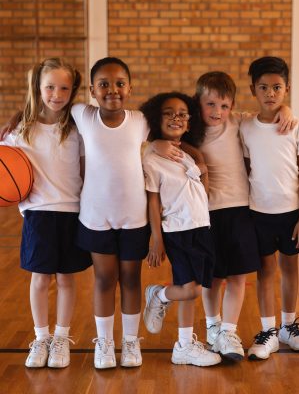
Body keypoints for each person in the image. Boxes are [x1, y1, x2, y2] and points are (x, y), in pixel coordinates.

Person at [71, 57, 176, 369]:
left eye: (119, 83)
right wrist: (16, 117)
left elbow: (178, 119)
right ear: (92, 90)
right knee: (104, 279)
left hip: (134, 216)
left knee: (131, 278)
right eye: (104, 84)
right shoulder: (82, 114)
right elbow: (48, 107)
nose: (112, 90)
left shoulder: (141, 120)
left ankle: (130, 343)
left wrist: (157, 142)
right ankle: (104, 343)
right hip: (95, 215)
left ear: (130, 88)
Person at [194, 71, 296, 361]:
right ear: (198, 102)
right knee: (212, 278)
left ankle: (228, 330)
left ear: (232, 106)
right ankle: (213, 326)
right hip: (206, 212)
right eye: (211, 105)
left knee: (238, 275)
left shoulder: (238, 122)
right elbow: (167, 137)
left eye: (224, 106)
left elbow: (267, 113)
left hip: (240, 209)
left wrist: (285, 108)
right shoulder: (191, 131)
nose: (218, 112)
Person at [0, 58, 91, 368]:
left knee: (66, 279)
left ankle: (61, 338)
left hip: (71, 212)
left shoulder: (78, 129)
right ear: (37, 88)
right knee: (40, 279)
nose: (57, 93)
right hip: (38, 214)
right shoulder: (20, 130)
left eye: (64, 87)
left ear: (73, 90)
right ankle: (41, 338)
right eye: (50, 87)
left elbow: (84, 169)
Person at [240, 56, 299, 360]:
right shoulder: (246, 126)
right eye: (263, 88)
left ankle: (288, 326)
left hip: (292, 214)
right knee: (265, 271)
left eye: (277, 87)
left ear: (286, 89)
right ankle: (268, 330)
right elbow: (247, 169)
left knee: (290, 268)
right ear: (253, 90)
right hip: (258, 213)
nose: (270, 93)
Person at [140, 91, 221, 367]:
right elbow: (153, 201)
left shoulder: (186, 154)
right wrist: (156, 238)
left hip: (202, 228)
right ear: (155, 118)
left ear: (190, 121)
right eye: (169, 112)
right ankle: (158, 294)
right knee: (191, 290)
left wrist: (201, 167)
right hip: (177, 231)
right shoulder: (152, 158)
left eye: (183, 114)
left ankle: (184, 345)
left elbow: (201, 191)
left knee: (193, 287)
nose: (176, 117)